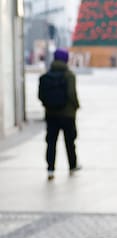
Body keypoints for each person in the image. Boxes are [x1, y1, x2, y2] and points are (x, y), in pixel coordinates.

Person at [40, 48, 80, 181]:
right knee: (70, 141)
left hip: (51, 115)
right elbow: (71, 94)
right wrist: (76, 106)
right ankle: (72, 166)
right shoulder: (69, 75)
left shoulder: (46, 75)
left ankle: (50, 170)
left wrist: (48, 106)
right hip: (67, 115)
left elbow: (41, 95)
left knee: (51, 142)